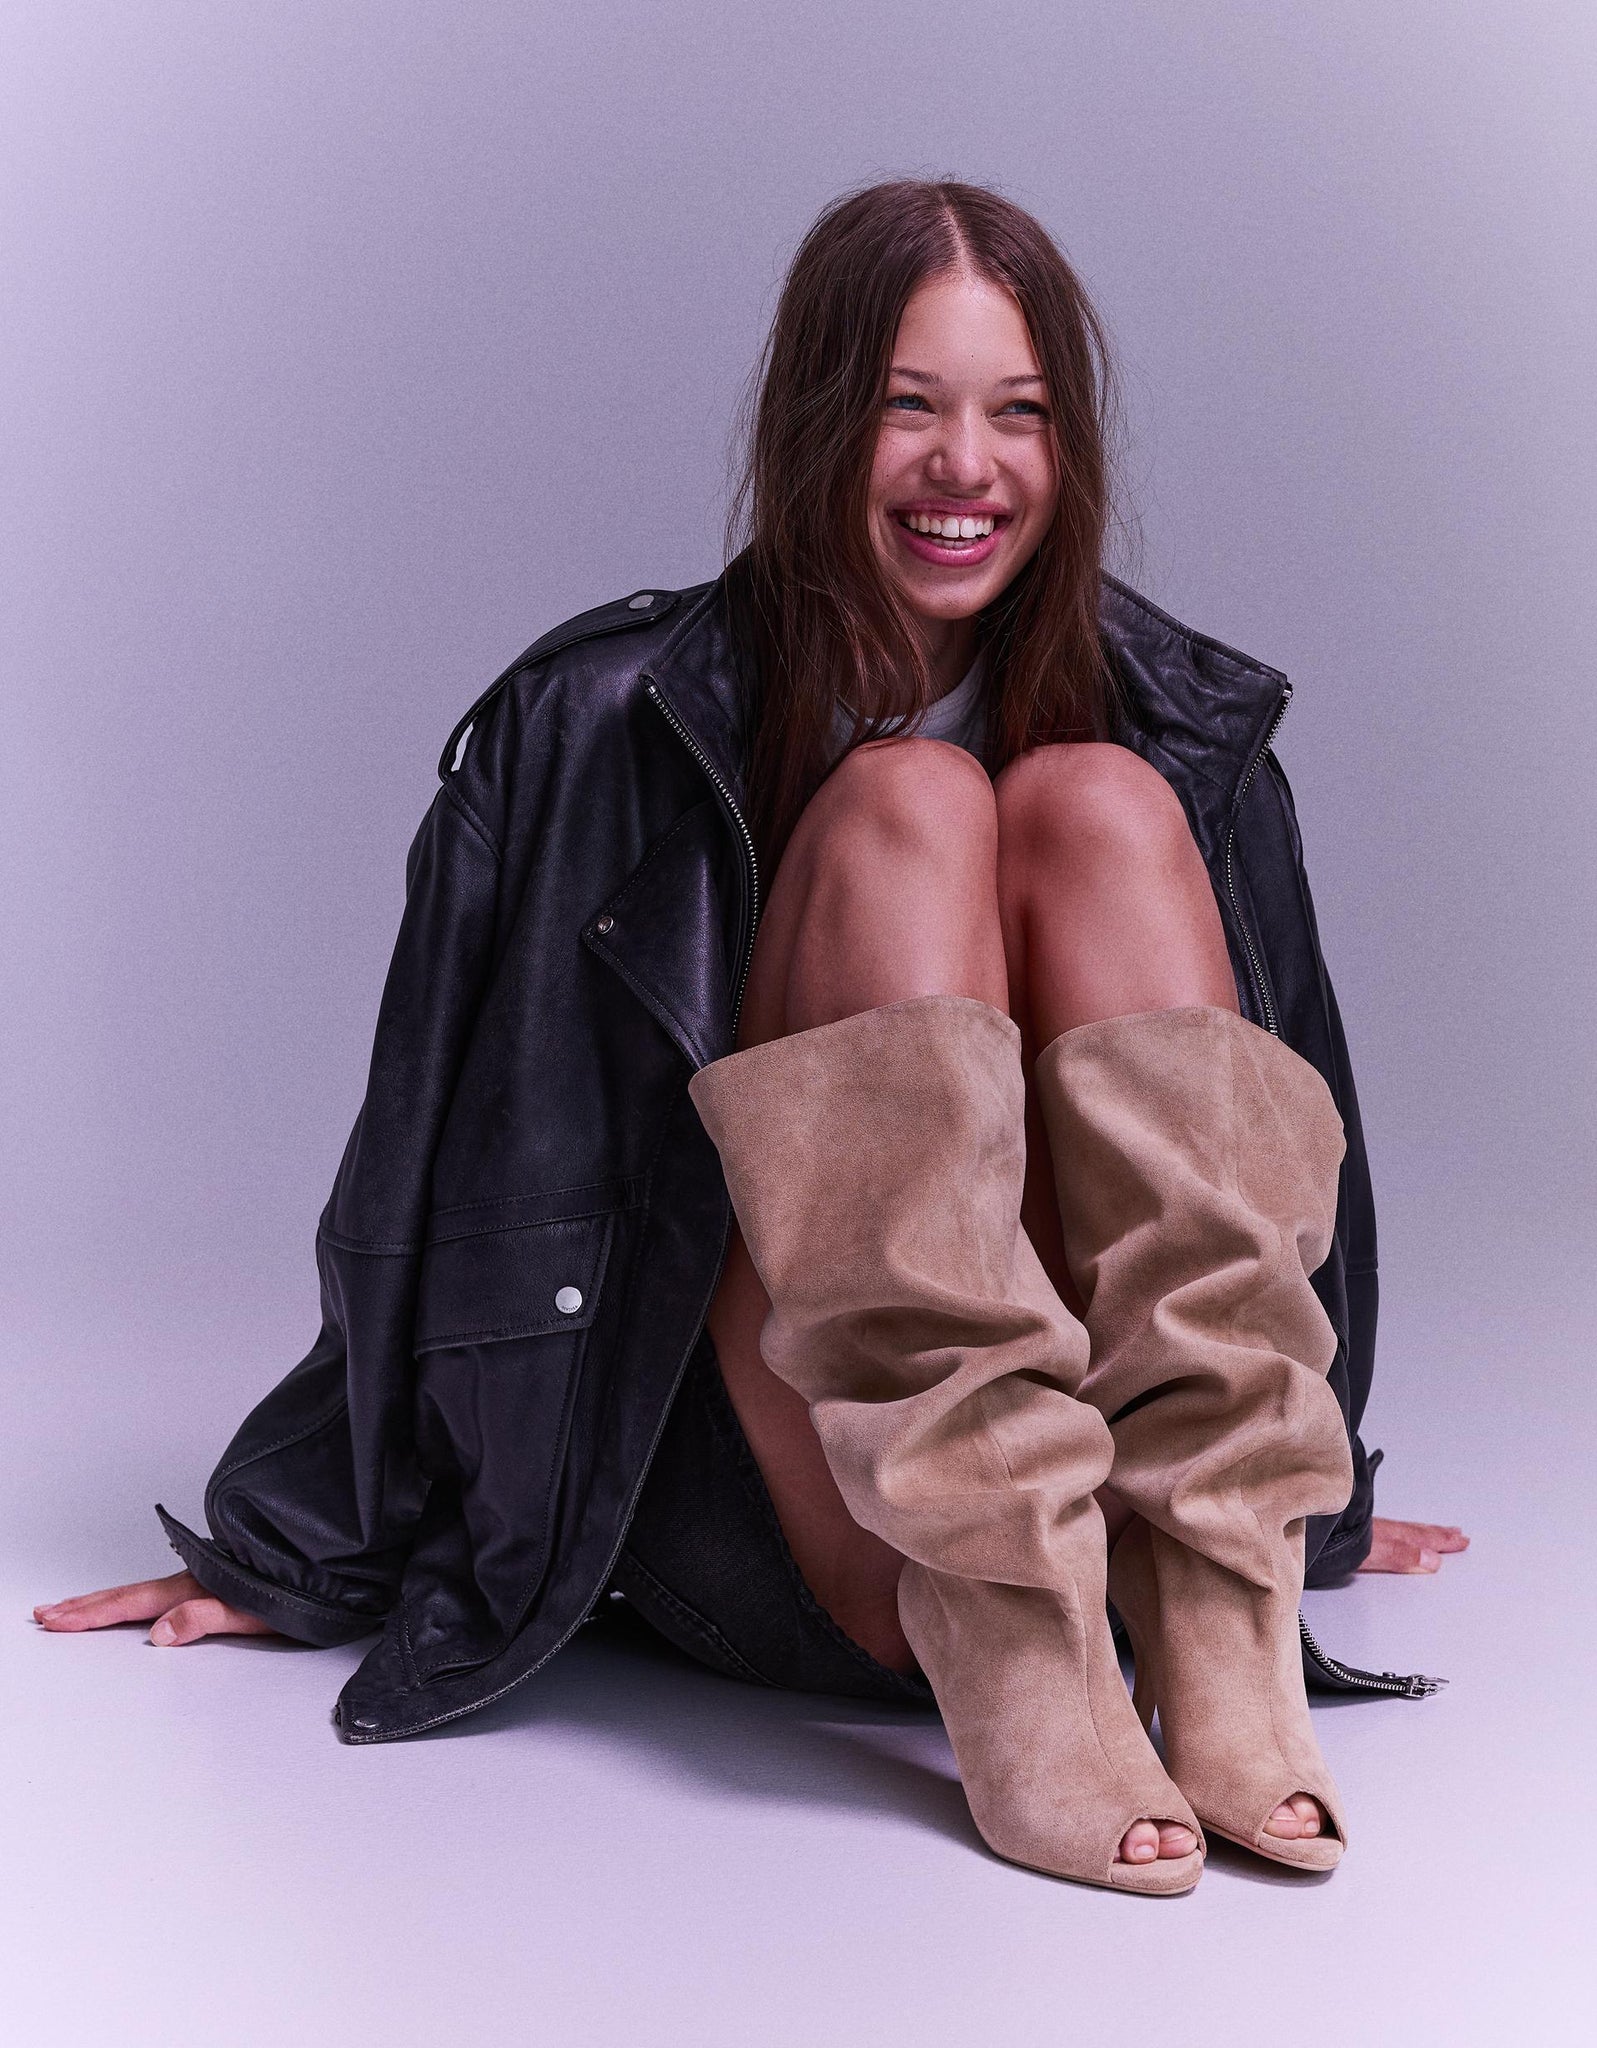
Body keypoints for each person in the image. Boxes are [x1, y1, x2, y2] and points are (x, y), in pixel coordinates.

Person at [35, 181, 1466, 1893]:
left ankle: (1214, 1622)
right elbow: (427, 1152)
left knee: (1092, 800)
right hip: (820, 1520)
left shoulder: (1187, 734)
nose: (964, 467)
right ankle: (1013, 1643)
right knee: (906, 806)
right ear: (815, 422)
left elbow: (1284, 1159)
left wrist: (1320, 1498)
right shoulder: (587, 724)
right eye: (907, 406)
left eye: (1017, 414)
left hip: (1126, 1530)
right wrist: (300, 1544)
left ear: (1069, 447)